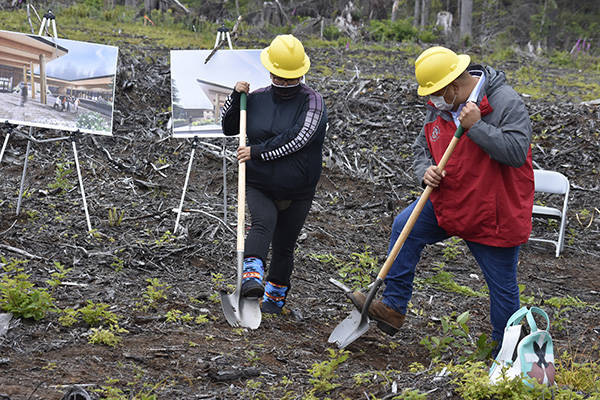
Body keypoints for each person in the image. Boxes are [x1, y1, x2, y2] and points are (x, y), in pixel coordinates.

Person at [349, 46, 534, 353]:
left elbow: (516, 153)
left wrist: (477, 126)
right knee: (404, 226)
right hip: (450, 202)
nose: (430, 101)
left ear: (453, 86)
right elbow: (423, 147)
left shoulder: (505, 102)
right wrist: (425, 172)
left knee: (502, 291)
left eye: (435, 93)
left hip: (493, 213)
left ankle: (508, 352)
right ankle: (393, 308)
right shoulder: (441, 103)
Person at [221, 34, 328, 314]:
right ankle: (251, 280)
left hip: (298, 190)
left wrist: (257, 152)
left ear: (301, 74)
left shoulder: (313, 102)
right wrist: (235, 98)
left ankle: (274, 299)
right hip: (260, 183)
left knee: (284, 245)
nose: (284, 83)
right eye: (279, 77)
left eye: (290, 78)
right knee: (262, 224)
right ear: (270, 71)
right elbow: (229, 127)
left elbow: (298, 139)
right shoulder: (256, 99)